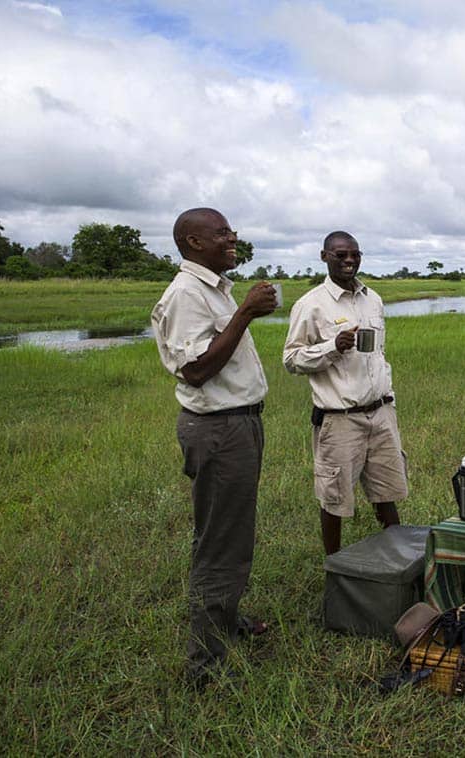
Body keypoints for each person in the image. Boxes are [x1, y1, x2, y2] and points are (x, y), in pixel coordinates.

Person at [151, 207, 278, 688]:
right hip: (219, 430)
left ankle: (226, 622)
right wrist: (245, 313)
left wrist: (239, 310)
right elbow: (197, 370)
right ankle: (205, 666)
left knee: (227, 533)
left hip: (236, 426)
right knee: (221, 546)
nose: (233, 236)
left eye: (231, 229)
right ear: (193, 242)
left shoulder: (211, 289)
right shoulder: (186, 294)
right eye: (221, 232)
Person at [283, 231, 408, 555]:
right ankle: (334, 565)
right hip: (340, 419)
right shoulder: (310, 305)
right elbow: (292, 359)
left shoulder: (373, 299)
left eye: (355, 254)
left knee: (386, 492)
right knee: (334, 498)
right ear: (324, 257)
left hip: (380, 411)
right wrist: (332, 347)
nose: (349, 260)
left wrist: (388, 399)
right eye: (340, 255)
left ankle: (399, 560)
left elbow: (379, 354)